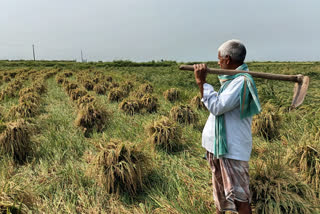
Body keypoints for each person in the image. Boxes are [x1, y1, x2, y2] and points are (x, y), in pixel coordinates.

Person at [193, 39, 261, 214]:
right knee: (220, 196)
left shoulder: (241, 82)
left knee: (240, 199)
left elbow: (217, 107)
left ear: (228, 59)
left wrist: (202, 83)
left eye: (219, 58)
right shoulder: (232, 81)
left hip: (232, 150)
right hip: (218, 147)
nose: (218, 62)